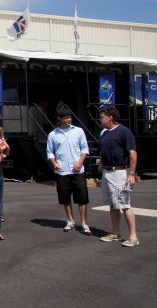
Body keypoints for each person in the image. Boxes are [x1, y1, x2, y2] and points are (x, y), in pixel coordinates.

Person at [46, 102, 91, 235]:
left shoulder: (78, 131)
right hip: (62, 171)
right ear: (59, 119)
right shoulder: (52, 134)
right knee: (65, 198)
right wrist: (54, 164)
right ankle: (70, 220)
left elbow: (84, 149)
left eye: (70, 117)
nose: (69, 120)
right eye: (65, 118)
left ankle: (84, 223)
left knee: (82, 198)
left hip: (78, 170)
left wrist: (80, 162)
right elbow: (50, 152)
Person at [98, 107, 139, 247]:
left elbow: (132, 153)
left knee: (124, 204)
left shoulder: (124, 131)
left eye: (102, 116)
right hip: (107, 172)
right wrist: (102, 163)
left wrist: (132, 174)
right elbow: (104, 150)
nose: (100, 119)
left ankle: (133, 237)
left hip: (119, 173)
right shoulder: (104, 133)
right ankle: (115, 233)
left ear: (110, 117)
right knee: (113, 204)